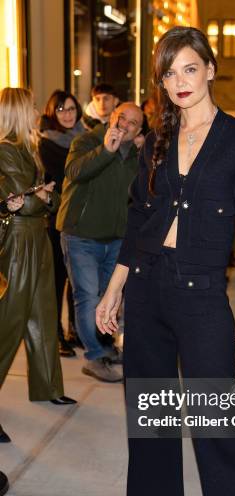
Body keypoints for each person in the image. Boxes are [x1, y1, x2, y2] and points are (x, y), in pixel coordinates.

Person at [96, 26, 235, 496]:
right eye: (168, 73)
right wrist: (113, 288)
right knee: (152, 413)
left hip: (202, 293)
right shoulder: (154, 143)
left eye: (188, 69)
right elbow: (139, 222)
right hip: (147, 288)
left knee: (216, 418)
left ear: (210, 70)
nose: (178, 82)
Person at [0, 87, 76, 406]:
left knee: (44, 316)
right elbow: (28, 201)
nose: (36, 111)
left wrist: (41, 196)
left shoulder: (30, 147)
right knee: (9, 322)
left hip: (37, 237)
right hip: (18, 241)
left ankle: (48, 387)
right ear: (17, 110)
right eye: (31, 105)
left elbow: (51, 198)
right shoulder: (6, 149)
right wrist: (40, 196)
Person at [57, 102, 143, 383]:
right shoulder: (88, 140)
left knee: (108, 298)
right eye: (122, 118)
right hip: (81, 235)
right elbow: (74, 172)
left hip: (117, 238)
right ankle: (94, 356)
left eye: (133, 123)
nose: (125, 125)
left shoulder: (137, 155)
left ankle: (105, 347)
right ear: (111, 118)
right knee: (88, 297)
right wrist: (106, 149)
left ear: (139, 130)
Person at [39, 90, 86, 357]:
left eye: (71, 109)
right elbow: (65, 177)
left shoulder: (86, 136)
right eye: (61, 110)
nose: (67, 114)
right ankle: (56, 335)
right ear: (51, 113)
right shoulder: (48, 143)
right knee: (57, 279)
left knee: (76, 277)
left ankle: (74, 330)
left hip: (81, 218)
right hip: (57, 219)